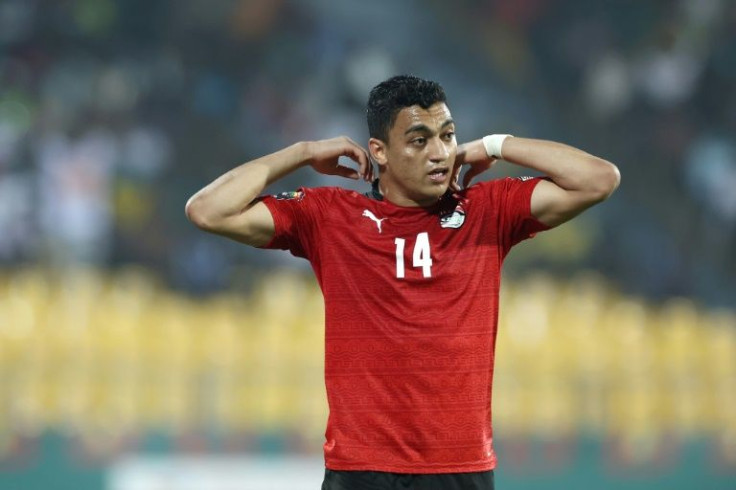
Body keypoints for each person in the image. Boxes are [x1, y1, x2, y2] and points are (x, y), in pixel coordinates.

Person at [185, 75, 620, 490]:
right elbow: (208, 210)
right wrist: (302, 151)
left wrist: (495, 144)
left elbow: (599, 179)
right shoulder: (330, 217)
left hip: (460, 469)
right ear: (381, 151)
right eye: (419, 140)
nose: (440, 153)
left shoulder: (488, 210)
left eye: (447, 136)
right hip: (362, 471)